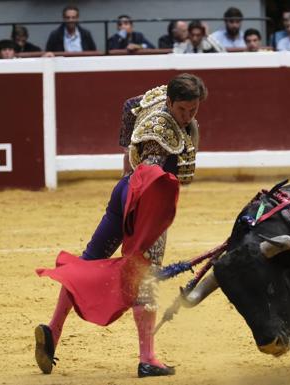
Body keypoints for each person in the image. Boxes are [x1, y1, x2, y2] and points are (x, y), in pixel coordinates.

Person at [35, 73, 207, 378]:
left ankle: (53, 330)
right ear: (170, 102)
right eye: (183, 110)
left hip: (123, 190)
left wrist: (127, 151)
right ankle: (148, 358)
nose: (188, 116)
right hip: (144, 202)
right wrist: (149, 215)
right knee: (144, 276)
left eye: (193, 110)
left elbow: (130, 105)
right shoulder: (161, 134)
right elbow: (152, 177)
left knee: (89, 260)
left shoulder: (157, 101)